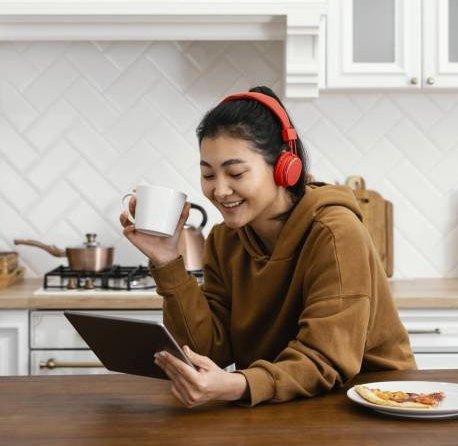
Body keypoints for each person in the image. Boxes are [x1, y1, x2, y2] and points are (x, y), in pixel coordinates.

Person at [120, 86, 416, 407]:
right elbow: (207, 349)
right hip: (283, 403)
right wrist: (167, 261)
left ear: (284, 167)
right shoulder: (226, 240)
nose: (219, 190)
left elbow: (325, 359)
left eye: (236, 172)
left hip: (371, 404)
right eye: (208, 174)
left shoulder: (334, 232)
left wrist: (237, 384)